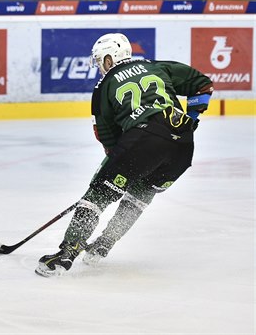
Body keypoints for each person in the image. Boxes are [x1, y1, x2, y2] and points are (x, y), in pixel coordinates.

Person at [35, 33, 213, 277]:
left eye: (100, 61)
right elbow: (202, 84)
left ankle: (66, 254)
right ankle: (104, 245)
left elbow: (106, 135)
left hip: (144, 138)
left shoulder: (103, 86)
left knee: (98, 195)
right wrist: (190, 119)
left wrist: (108, 174)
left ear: (110, 58)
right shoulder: (155, 66)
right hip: (182, 148)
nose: (99, 66)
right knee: (138, 197)